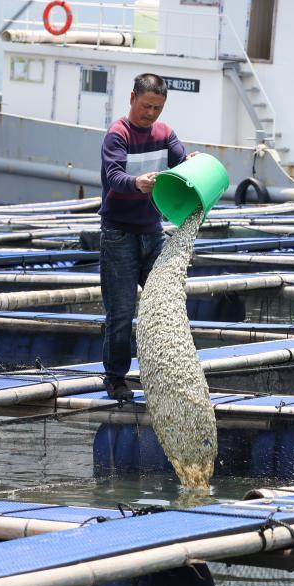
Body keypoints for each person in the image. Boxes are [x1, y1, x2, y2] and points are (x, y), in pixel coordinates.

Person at [99, 73, 188, 402]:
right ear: (132, 97)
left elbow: (182, 163)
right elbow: (115, 177)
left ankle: (164, 375)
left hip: (153, 233)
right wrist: (137, 183)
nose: (151, 113)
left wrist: (192, 164)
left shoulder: (165, 134)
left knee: (165, 307)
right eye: (147, 105)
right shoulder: (117, 135)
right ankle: (115, 379)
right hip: (119, 235)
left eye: (158, 108)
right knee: (121, 313)